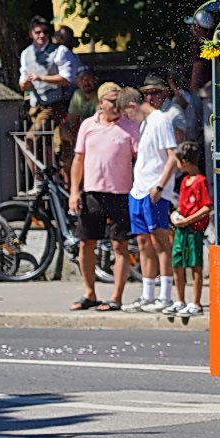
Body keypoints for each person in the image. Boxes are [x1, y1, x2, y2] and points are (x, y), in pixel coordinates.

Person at [68, 83, 140, 311]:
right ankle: (89, 292)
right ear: (101, 102)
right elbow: (78, 160)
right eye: (111, 101)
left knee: (120, 245)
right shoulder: (88, 126)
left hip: (120, 193)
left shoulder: (130, 127)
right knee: (86, 243)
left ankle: (116, 296)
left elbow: (140, 157)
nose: (116, 105)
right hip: (92, 192)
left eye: (118, 100)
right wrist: (73, 191)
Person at [125, 80, 180, 314]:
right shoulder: (146, 123)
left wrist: (159, 186)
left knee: (160, 242)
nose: (128, 119)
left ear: (131, 106)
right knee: (143, 243)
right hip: (138, 190)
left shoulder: (160, 120)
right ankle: (147, 295)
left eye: (126, 113)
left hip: (154, 191)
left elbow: (172, 156)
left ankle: (165, 296)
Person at [20, 17, 82, 166]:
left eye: (45, 32)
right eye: (38, 32)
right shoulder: (25, 54)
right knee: (44, 145)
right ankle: (49, 176)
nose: (41, 35)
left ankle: (39, 178)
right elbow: (22, 83)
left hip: (54, 104)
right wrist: (26, 84)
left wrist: (41, 78)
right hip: (35, 106)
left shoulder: (60, 51)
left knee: (30, 140)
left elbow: (67, 78)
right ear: (31, 34)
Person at [168, 140, 209, 317]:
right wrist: (175, 215)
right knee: (177, 264)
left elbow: (206, 207)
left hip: (193, 231)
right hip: (181, 230)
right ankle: (180, 300)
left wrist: (188, 221)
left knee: (195, 265)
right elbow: (181, 206)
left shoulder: (201, 181)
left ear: (184, 161)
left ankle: (196, 302)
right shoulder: (184, 181)